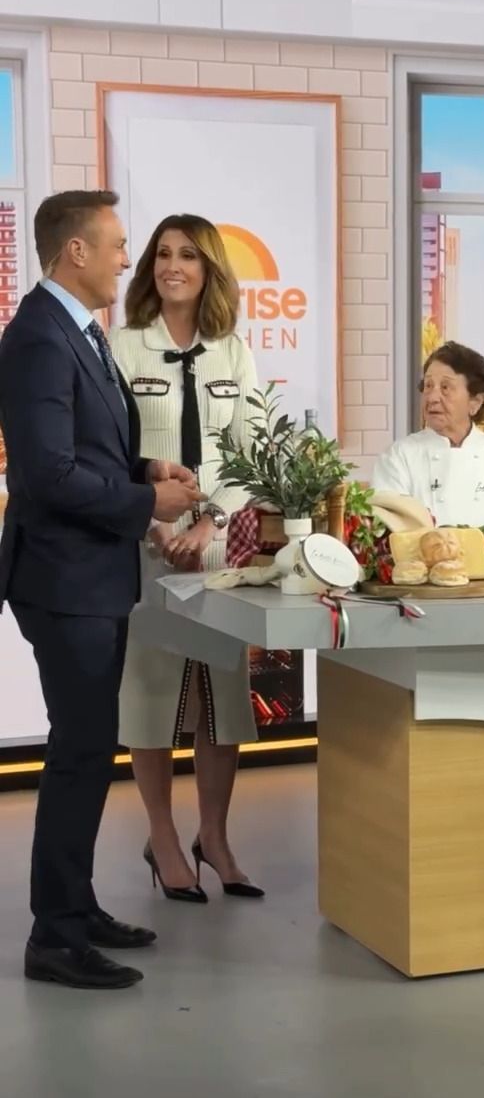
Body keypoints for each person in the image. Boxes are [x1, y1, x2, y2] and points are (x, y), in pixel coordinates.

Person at [0, 190, 203, 990]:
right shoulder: (39, 339)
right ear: (75, 252)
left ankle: (75, 908)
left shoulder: (77, 332)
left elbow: (88, 446)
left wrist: (145, 466)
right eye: (117, 245)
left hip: (92, 575)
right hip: (64, 578)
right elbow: (48, 475)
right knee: (79, 751)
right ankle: (53, 937)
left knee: (88, 749)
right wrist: (147, 501)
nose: (128, 258)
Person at [109, 214, 263, 905]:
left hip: (214, 551)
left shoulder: (233, 352)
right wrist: (154, 517)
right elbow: (111, 451)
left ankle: (215, 838)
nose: (174, 265)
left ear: (209, 270)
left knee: (220, 698)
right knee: (149, 695)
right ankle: (164, 838)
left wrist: (208, 521)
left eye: (189, 256)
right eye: (163, 253)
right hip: (145, 549)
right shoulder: (123, 347)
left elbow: (250, 454)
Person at [372, 340, 484, 532]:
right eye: (428, 386)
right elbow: (388, 531)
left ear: (476, 401)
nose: (432, 397)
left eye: (445, 387)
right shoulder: (398, 457)